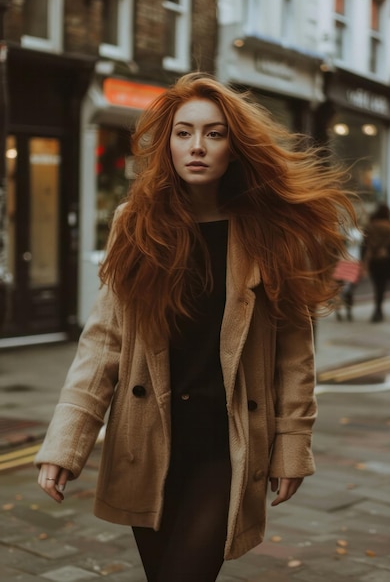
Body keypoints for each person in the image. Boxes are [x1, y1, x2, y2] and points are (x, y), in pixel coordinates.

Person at [36, 72, 356, 582]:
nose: (197, 147)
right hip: (146, 440)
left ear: (236, 146)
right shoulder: (135, 223)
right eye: (184, 133)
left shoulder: (270, 234)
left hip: (225, 446)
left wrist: (292, 443)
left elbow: (294, 352)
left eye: (214, 133)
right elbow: (104, 341)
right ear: (167, 143)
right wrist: (67, 441)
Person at [362, 203, 390, 322]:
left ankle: (377, 309)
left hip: (373, 259)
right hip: (384, 260)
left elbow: (365, 244)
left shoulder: (370, 226)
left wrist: (364, 260)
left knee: (377, 284)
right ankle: (378, 309)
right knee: (381, 286)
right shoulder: (389, 227)